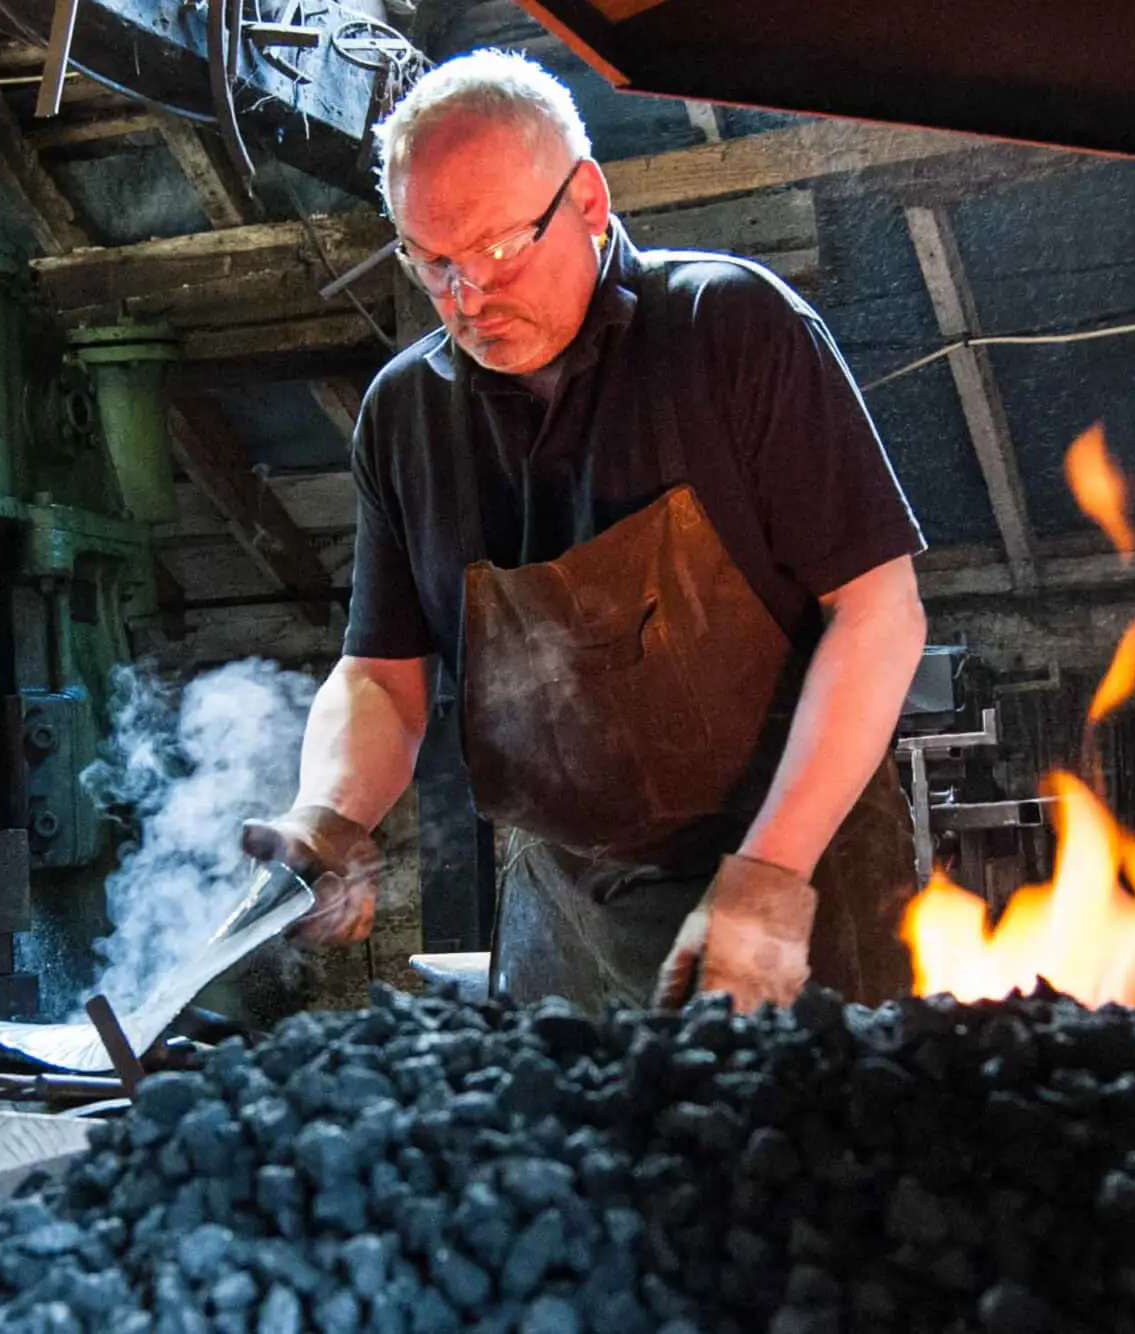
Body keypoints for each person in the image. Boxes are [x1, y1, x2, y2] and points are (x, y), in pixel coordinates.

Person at [243, 48, 929, 1013]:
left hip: (798, 882)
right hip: (566, 913)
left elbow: (879, 614)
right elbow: (382, 681)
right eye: (432, 262)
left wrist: (773, 872)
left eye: (496, 249)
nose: (467, 298)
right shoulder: (405, 418)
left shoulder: (730, 329)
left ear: (589, 201)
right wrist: (329, 812)